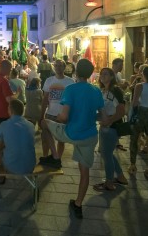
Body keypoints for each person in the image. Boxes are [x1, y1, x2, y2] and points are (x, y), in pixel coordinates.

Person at [43, 59, 106, 219]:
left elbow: (63, 117)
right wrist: (88, 115)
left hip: (71, 133)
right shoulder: (96, 91)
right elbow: (103, 117)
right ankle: (78, 204)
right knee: (84, 172)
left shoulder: (71, 89)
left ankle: (56, 157)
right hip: (89, 136)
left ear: (76, 72)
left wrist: (57, 117)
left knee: (44, 123)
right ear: (91, 73)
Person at [93, 68, 129, 192]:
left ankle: (109, 182)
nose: (102, 76)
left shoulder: (115, 91)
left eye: (106, 74)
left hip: (111, 127)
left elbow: (121, 110)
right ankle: (120, 176)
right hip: (105, 126)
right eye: (101, 74)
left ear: (112, 77)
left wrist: (110, 120)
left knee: (106, 154)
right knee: (106, 153)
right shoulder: (104, 91)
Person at [39, 60, 75, 168]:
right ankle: (46, 157)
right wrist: (41, 115)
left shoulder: (70, 82)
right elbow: (45, 99)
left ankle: (57, 158)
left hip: (62, 115)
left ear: (64, 67)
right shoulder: (49, 80)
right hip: (50, 113)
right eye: (56, 66)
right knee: (45, 138)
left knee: (61, 140)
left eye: (60, 66)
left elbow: (72, 100)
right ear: (53, 67)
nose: (58, 68)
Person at [0, 99, 36, 183]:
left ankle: (0, 178)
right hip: (30, 166)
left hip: (11, 167)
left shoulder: (4, 125)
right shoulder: (31, 125)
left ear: (11, 110)